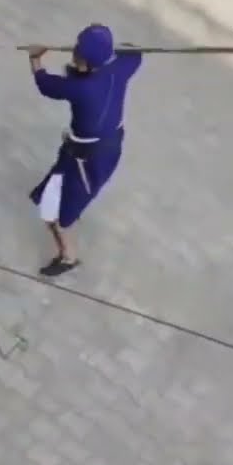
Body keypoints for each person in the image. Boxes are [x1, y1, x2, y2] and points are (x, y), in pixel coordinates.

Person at [26, 24, 143, 276]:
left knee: (59, 214)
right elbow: (135, 52)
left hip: (88, 159)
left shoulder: (79, 87)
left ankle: (68, 256)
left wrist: (35, 58)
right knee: (56, 200)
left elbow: (45, 84)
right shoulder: (122, 69)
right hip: (102, 147)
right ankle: (67, 216)